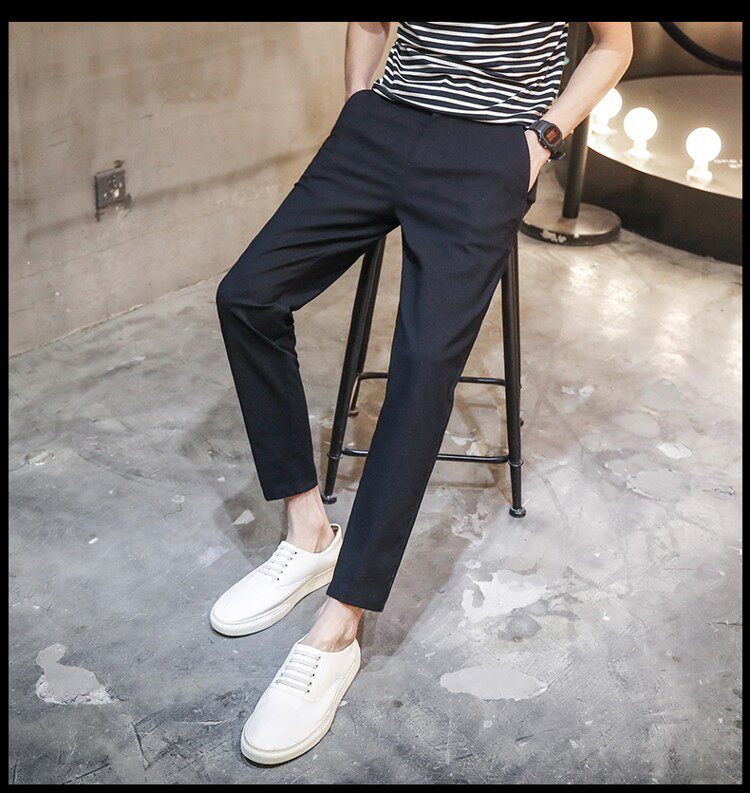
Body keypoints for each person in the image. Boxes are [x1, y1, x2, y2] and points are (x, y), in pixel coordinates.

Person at [212, 21, 633, 764]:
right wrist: (357, 105)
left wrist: (543, 139)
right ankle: (308, 532)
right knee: (248, 297)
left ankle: (340, 625)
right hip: (382, 125)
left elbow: (613, 43)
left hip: (493, 148)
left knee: (425, 366)